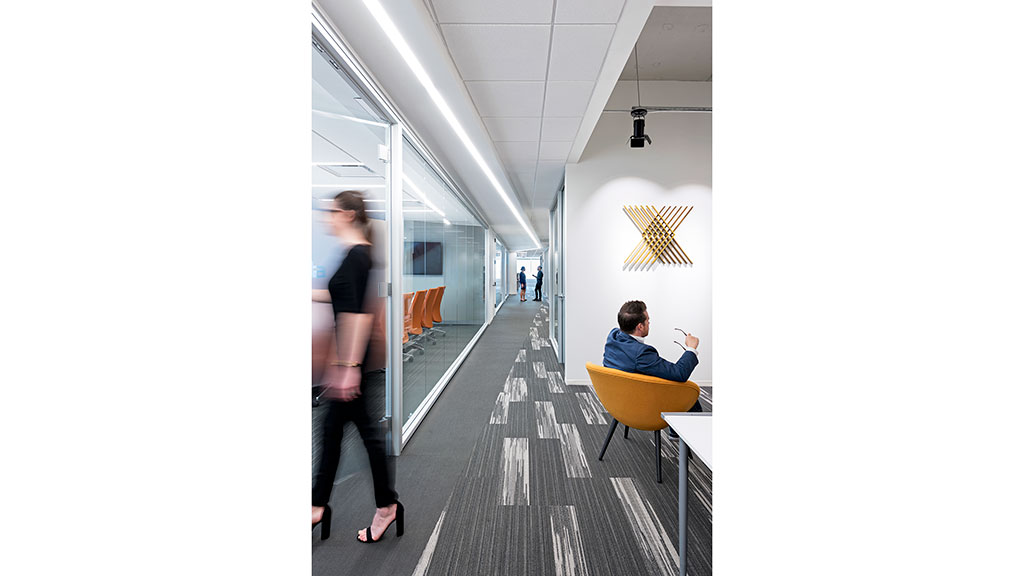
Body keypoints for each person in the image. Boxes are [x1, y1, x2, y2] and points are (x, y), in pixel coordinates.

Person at [312, 191, 404, 544]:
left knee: (347, 434)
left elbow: (359, 315)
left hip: (353, 361)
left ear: (348, 214)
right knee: (347, 433)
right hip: (352, 361)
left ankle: (328, 506)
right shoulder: (356, 256)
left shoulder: (357, 256)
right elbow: (342, 297)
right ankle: (329, 505)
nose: (327, 218)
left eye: (332, 211)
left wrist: (348, 366)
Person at [603, 300, 703, 413]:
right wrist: (691, 348)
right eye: (648, 320)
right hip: (638, 405)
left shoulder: (613, 336)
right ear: (640, 326)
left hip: (616, 400)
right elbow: (679, 373)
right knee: (686, 394)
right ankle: (681, 430)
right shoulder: (641, 353)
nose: (649, 323)